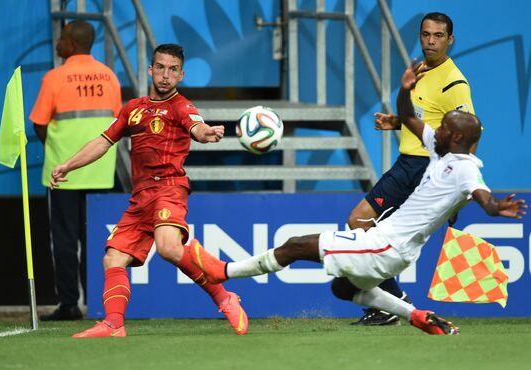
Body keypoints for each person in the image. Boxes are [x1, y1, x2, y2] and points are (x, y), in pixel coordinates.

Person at [188, 60, 526, 335]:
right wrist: (404, 88)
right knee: (344, 289)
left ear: (455, 136)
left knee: (294, 245)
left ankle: (223, 271)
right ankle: (417, 315)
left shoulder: (467, 169)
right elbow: (408, 116)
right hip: (392, 247)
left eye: (444, 126)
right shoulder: (442, 151)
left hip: (385, 246)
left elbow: (483, 197)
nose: (436, 128)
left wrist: (497, 208)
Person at [50, 43, 248, 338]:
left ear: (181, 75)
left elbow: (196, 126)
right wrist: (68, 165)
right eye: (161, 68)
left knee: (168, 246)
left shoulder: (182, 107)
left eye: (173, 70)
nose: (166, 75)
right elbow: (103, 142)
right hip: (140, 197)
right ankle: (114, 324)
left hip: (169, 188)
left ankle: (224, 297)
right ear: (150, 69)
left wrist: (206, 133)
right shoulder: (133, 109)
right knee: (113, 258)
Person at [340, 12, 477, 326]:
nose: (430, 41)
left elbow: (468, 136)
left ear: (450, 40)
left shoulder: (454, 83)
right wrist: (396, 122)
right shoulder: (421, 69)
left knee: (358, 222)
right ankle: (390, 301)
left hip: (422, 169)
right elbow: (428, 119)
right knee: (368, 229)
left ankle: (391, 303)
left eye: (438, 35)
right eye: (426, 34)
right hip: (407, 164)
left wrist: (462, 187)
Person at [30, 20, 122, 321]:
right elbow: (117, 124)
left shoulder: (55, 77)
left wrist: (55, 150)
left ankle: (69, 305)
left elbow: (39, 124)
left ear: (71, 43)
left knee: (65, 241)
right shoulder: (109, 77)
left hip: (64, 172)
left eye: (61, 38)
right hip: (101, 171)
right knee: (99, 241)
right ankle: (100, 304)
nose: (57, 42)